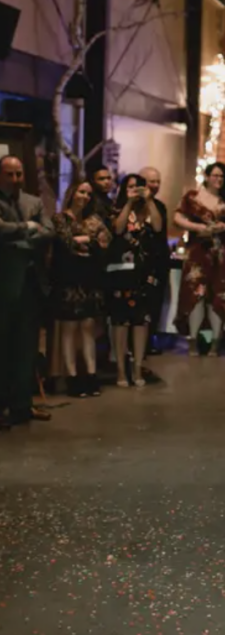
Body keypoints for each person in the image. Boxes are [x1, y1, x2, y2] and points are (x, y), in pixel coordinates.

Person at [0, 155, 54, 429]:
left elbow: (49, 230)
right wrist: (26, 229)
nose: (16, 179)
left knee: (26, 346)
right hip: (4, 282)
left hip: (31, 283)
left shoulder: (32, 201)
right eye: (10, 174)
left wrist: (18, 240)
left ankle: (22, 404)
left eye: (19, 174)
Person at [174, 162, 225, 355]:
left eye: (221, 176)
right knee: (196, 295)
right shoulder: (192, 197)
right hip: (197, 252)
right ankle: (193, 340)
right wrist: (197, 228)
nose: (218, 180)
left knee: (220, 296)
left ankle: (216, 340)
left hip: (221, 253)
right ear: (206, 176)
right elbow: (177, 217)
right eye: (215, 175)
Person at [51, 180, 111, 398]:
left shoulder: (94, 219)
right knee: (69, 329)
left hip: (89, 280)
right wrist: (87, 243)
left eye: (88, 193)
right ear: (72, 193)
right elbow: (65, 244)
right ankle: (73, 377)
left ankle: (91, 375)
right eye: (81, 192)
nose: (85, 196)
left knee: (88, 328)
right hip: (68, 279)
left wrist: (85, 241)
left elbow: (105, 243)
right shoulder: (60, 218)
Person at [108, 174, 163, 387]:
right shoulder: (116, 208)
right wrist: (129, 203)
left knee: (141, 322)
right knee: (121, 322)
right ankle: (121, 370)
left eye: (138, 187)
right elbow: (118, 229)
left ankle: (138, 368)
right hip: (121, 273)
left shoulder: (151, 209)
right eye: (130, 187)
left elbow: (158, 228)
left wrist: (148, 200)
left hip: (144, 274)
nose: (135, 190)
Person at [139, 167, 170, 351]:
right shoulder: (132, 204)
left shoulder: (159, 206)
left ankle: (150, 339)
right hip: (139, 262)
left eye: (158, 181)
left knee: (155, 302)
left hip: (158, 260)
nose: (155, 185)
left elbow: (159, 229)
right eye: (151, 181)